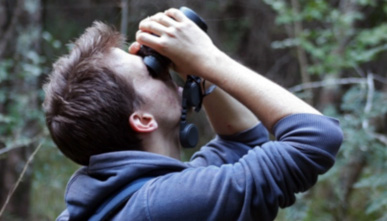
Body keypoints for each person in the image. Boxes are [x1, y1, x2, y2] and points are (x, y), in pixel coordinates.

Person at [44, 8, 343, 221]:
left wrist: (199, 73)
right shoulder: (163, 206)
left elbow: (242, 144)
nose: (162, 72)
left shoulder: (106, 202)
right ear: (143, 119)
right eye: (150, 71)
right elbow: (316, 138)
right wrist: (209, 60)